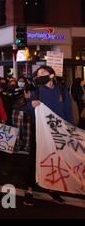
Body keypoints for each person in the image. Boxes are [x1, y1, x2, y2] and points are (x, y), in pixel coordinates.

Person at [24, 66, 73, 205]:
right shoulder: (37, 92)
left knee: (55, 160)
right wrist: (31, 105)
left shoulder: (62, 92)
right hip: (40, 132)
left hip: (58, 133)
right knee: (35, 160)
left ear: (52, 75)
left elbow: (68, 112)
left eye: (43, 73)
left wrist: (69, 130)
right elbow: (28, 109)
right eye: (38, 74)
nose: (40, 75)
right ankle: (29, 190)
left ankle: (53, 188)